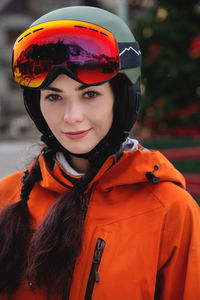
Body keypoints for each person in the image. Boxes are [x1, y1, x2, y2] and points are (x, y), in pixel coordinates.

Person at [0, 5, 200, 300]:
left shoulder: (170, 211)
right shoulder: (8, 198)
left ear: (120, 99)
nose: (71, 116)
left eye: (89, 94)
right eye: (54, 96)